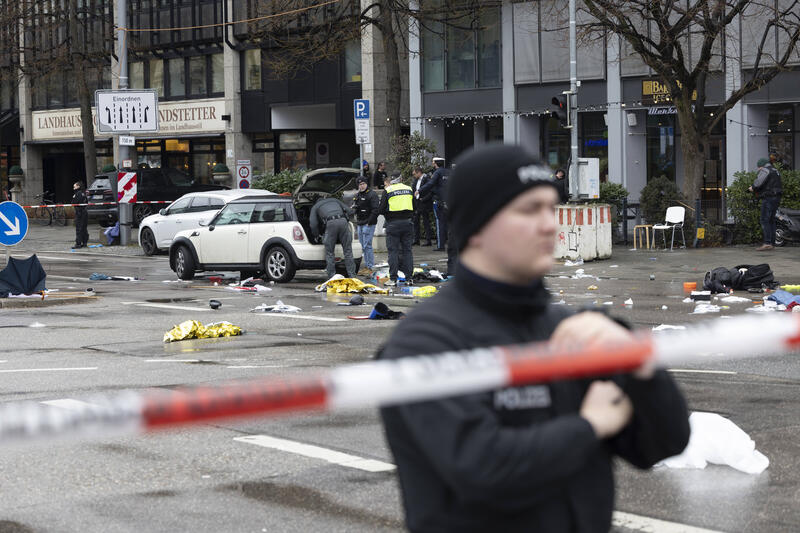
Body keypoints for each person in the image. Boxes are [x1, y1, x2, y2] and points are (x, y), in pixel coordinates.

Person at [378, 144, 690, 533]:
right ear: (477, 227)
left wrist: (638, 360)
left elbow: (664, 443)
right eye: (528, 210)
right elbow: (482, 468)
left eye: (550, 208)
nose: (549, 225)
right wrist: (589, 427)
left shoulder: (571, 327)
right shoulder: (424, 342)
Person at [378, 173, 414, 286]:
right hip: (407, 223)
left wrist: (389, 217)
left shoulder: (388, 190)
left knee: (393, 252)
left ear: (391, 180)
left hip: (393, 224)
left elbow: (381, 209)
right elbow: (415, 206)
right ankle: (409, 278)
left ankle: (393, 279)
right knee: (407, 251)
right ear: (401, 179)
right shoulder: (409, 189)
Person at [309, 196, 356, 279]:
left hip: (331, 224)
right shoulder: (334, 200)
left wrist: (316, 236)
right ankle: (352, 276)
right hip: (343, 222)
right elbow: (350, 211)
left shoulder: (315, 206)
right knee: (348, 251)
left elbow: (313, 224)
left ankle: (332, 277)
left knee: (330, 253)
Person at [749, 157, 782, 251]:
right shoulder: (775, 170)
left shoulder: (765, 170)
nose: (758, 170)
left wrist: (753, 187)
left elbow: (759, 182)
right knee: (771, 220)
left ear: (761, 166)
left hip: (769, 197)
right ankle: (771, 243)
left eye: (758, 168)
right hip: (776, 197)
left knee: (764, 220)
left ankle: (767, 243)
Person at [419, 156, 450, 251]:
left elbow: (430, 184)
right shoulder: (448, 172)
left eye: (433, 162)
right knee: (448, 224)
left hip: (439, 201)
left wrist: (420, 190)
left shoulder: (437, 173)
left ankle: (440, 246)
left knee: (440, 223)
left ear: (436, 163)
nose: (432, 163)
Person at [352, 176, 379, 275]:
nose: (361, 186)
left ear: (366, 184)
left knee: (367, 246)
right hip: (360, 223)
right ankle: (367, 266)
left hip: (368, 223)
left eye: (363, 184)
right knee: (362, 246)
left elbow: (376, 210)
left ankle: (370, 267)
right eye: (360, 184)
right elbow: (356, 207)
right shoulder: (358, 195)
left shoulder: (372, 194)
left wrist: (369, 221)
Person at [411, 167, 433, 246]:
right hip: (417, 202)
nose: (414, 176)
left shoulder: (427, 178)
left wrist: (423, 199)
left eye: (414, 174)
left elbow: (431, 191)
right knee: (415, 221)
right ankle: (416, 239)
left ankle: (428, 240)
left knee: (426, 221)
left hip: (424, 202)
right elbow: (414, 189)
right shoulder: (416, 180)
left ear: (419, 172)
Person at [72, 181, 89, 249]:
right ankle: (84, 243)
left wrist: (73, 197)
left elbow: (74, 202)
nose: (73, 187)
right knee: (84, 228)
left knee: (79, 228)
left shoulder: (77, 193)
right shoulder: (84, 193)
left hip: (79, 212)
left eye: (74, 186)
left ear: (78, 186)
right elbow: (86, 201)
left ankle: (78, 244)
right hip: (84, 212)